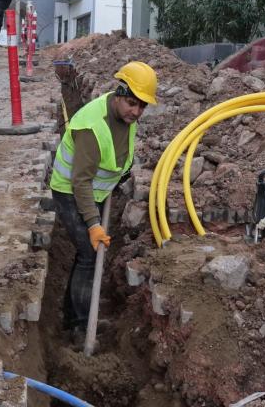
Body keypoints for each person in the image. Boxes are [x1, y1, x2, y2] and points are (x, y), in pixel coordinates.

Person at [48, 61, 158, 342]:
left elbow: (116, 158)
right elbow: (80, 182)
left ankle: (73, 315)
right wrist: (94, 224)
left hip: (95, 192)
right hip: (70, 192)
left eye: (142, 106)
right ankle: (81, 327)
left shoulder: (126, 117)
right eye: (132, 103)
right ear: (119, 94)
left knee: (87, 253)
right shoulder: (92, 127)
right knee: (89, 252)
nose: (137, 112)